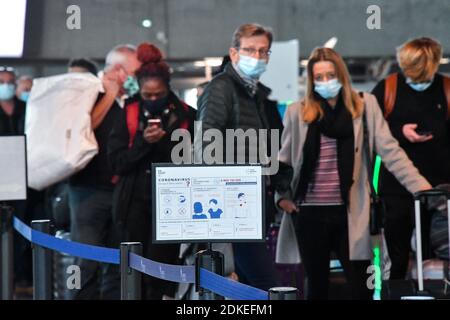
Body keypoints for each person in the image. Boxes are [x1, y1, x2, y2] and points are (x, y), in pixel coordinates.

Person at [275, 47, 432, 300]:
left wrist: (421, 187)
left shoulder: (364, 106)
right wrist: (282, 199)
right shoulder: (298, 111)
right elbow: (284, 162)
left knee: (361, 285)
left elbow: (390, 150)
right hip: (309, 212)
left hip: (351, 211)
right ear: (312, 80)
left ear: (342, 75)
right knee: (316, 286)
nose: (326, 82)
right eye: (319, 77)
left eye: (330, 74)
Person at [196, 23, 281, 291]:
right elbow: (205, 145)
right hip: (233, 203)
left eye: (263, 51)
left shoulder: (254, 92)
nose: (257, 56)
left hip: (252, 201)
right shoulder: (222, 87)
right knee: (266, 283)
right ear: (234, 53)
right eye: (250, 50)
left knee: (246, 284)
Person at [108, 42, 196, 299]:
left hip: (172, 203)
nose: (154, 100)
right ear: (140, 91)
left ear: (168, 88)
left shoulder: (187, 115)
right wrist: (144, 142)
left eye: (159, 95)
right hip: (133, 202)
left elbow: (193, 159)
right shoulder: (128, 114)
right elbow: (117, 163)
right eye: (148, 95)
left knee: (163, 270)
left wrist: (166, 141)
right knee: (133, 269)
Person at [371, 37, 450, 280]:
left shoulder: (446, 89)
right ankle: (395, 290)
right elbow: (371, 131)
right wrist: (400, 132)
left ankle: (432, 290)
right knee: (397, 251)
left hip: (439, 188)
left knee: (435, 250)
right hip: (396, 187)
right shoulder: (388, 89)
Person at [67, 46, 141, 300]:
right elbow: (82, 129)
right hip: (88, 189)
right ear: (119, 71)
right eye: (134, 72)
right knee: (85, 259)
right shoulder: (88, 90)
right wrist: (108, 95)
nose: (137, 78)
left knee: (117, 260)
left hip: (120, 191)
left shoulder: (130, 98)